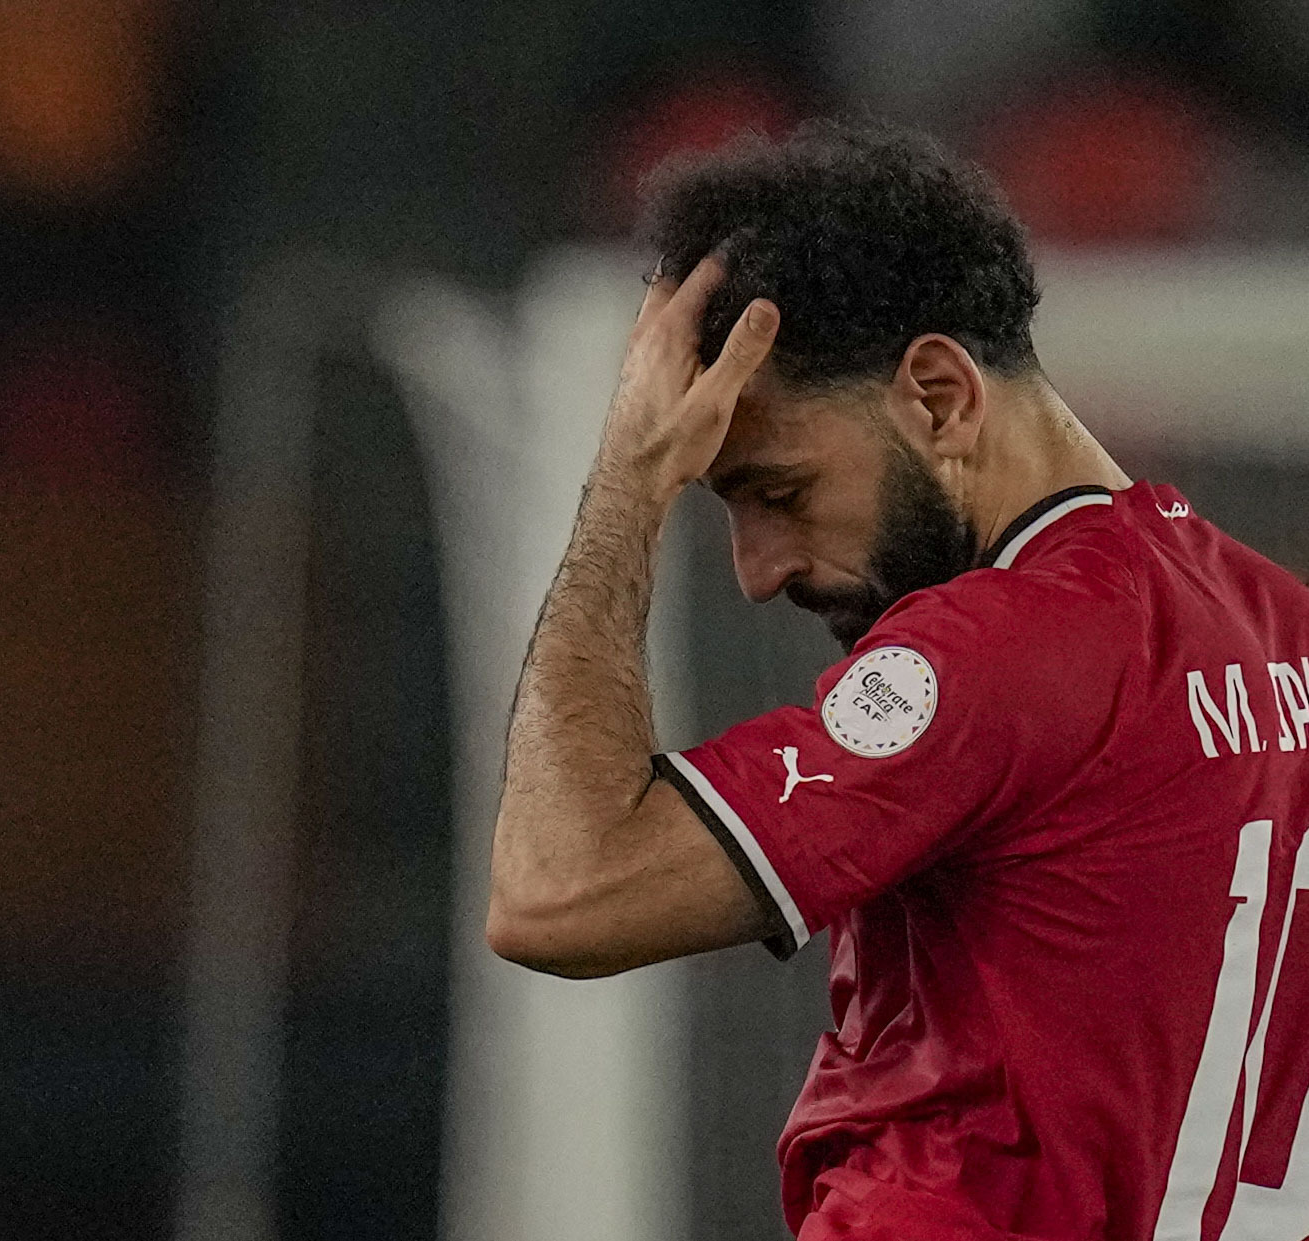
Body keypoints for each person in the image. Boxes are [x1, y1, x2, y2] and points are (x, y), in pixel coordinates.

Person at [486, 120, 1309, 1241]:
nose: (757, 571)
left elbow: (558, 892)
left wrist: (628, 482)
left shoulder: (1005, 647)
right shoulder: (1278, 627)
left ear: (936, 395)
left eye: (778, 491)